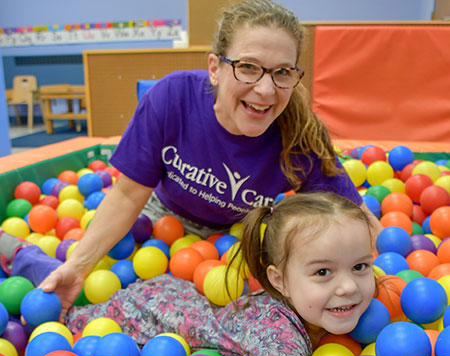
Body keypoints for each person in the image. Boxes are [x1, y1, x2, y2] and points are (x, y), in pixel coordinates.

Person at [1, 0, 381, 321]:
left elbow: (353, 216)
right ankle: (20, 254)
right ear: (215, 68)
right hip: (159, 219)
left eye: (282, 73)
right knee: (86, 277)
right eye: (248, 66)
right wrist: (80, 265)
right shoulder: (173, 98)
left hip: (238, 236)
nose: (265, 90)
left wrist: (377, 274)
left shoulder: (297, 135)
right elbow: (128, 193)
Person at [60, 191, 375, 356]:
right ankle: (24, 257)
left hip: (183, 295)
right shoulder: (275, 329)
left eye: (360, 266)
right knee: (62, 312)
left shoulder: (340, 301)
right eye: (323, 272)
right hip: (145, 313)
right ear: (280, 282)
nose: (348, 286)